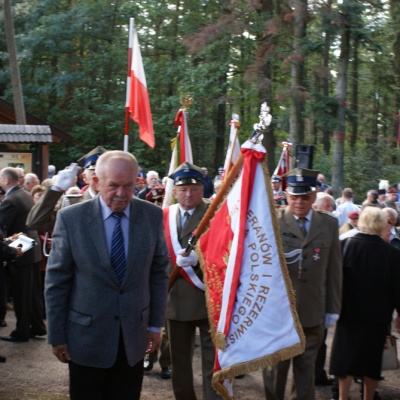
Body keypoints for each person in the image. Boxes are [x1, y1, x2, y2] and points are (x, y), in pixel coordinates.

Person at [45, 150, 169, 400]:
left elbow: (158, 273)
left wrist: (155, 325)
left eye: (129, 186)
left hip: (133, 337)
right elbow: (57, 281)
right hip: (85, 339)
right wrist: (57, 335)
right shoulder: (71, 219)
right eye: (113, 186)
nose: (122, 194)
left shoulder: (151, 215)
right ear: (95, 182)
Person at [262, 167, 342, 400]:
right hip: (278, 314)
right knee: (275, 371)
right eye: (294, 196)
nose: (299, 201)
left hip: (312, 311)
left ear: (314, 196)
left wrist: (332, 308)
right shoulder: (273, 222)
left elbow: (334, 270)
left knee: (305, 374)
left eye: (305, 196)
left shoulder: (328, 224)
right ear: (287, 195)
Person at [329, 207, 400, 400]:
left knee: (345, 361)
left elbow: (334, 280)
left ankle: (343, 397)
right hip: (377, 316)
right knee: (371, 362)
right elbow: (397, 288)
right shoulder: (392, 254)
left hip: (348, 314)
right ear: (382, 224)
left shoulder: (344, 246)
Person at [163, 162, 221, 400]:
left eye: (194, 189)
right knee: (180, 362)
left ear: (202, 190)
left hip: (209, 298)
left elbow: (226, 253)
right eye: (183, 189)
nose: (188, 194)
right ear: (175, 191)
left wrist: (200, 259)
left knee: (213, 361)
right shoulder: (165, 215)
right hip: (175, 298)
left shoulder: (215, 214)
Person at [0, 167, 45, 342]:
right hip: (31, 247)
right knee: (32, 293)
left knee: (21, 294)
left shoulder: (10, 199)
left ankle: (22, 331)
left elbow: (2, 225)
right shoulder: (24, 194)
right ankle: (37, 326)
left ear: (6, 180)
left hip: (20, 251)